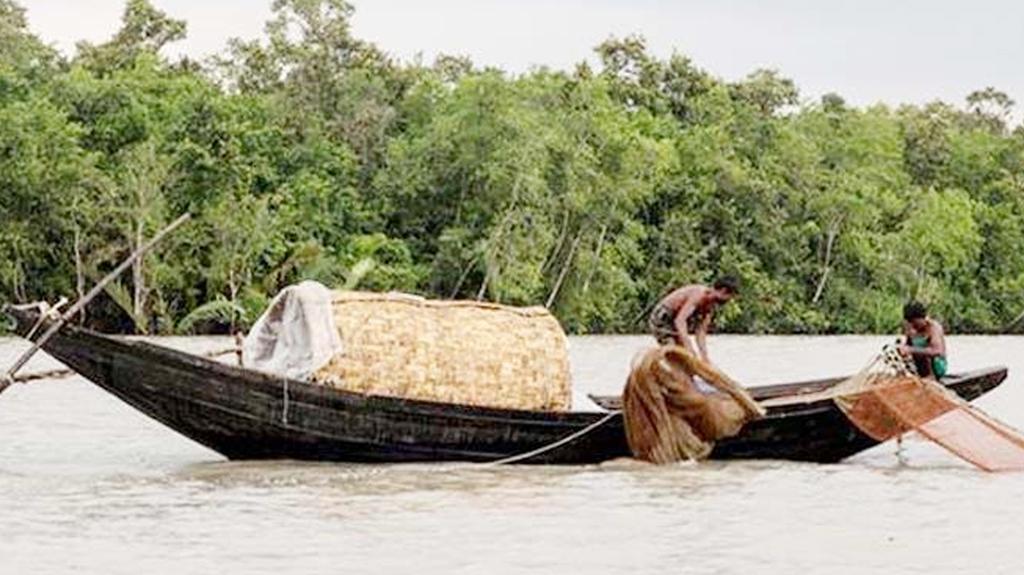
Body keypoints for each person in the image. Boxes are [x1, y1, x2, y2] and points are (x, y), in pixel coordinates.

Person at [647, 276, 739, 363]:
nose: (729, 300)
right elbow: (680, 321)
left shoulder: (710, 306)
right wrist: (689, 347)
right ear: (723, 291)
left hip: (675, 322)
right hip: (662, 318)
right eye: (730, 296)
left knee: (685, 357)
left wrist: (704, 357)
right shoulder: (699, 295)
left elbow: (701, 332)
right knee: (676, 352)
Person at [899, 301, 948, 379]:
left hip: (937, 365)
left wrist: (911, 350)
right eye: (910, 322)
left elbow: (937, 351)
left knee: (924, 350)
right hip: (919, 366)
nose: (912, 325)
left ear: (921, 318)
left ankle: (931, 377)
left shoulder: (933, 327)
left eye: (914, 322)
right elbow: (907, 346)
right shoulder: (910, 328)